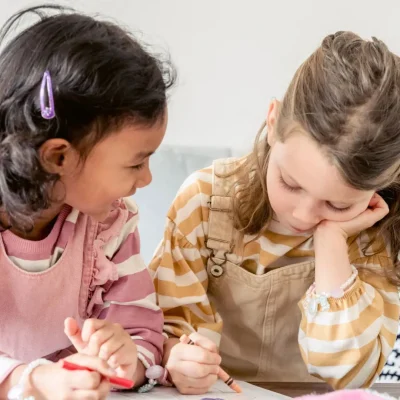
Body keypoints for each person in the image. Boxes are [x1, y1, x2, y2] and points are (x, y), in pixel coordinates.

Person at [150, 31, 400, 394]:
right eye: (290, 183)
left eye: (338, 204)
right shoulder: (205, 202)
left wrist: (332, 244)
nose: (303, 215)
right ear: (272, 122)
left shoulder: (379, 235)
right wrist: (179, 356)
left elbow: (351, 375)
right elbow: (172, 329)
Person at [0, 5, 175, 399]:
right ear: (58, 157)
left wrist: (125, 358)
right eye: (136, 163)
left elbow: (145, 335)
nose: (146, 179)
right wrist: (34, 381)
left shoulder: (110, 224)